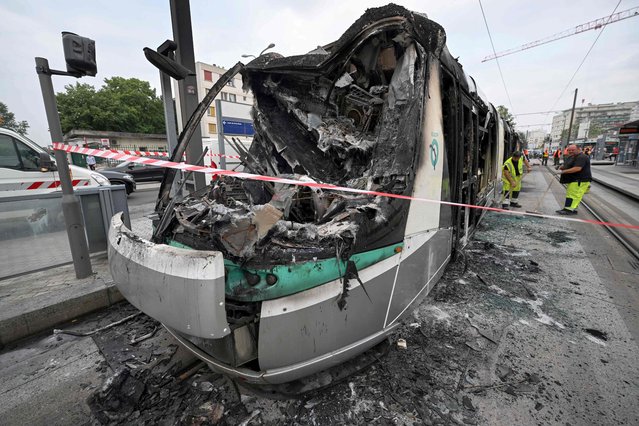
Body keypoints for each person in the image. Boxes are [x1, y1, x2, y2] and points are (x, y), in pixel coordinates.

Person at [556, 144, 592, 215]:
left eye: (573, 150)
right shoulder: (574, 157)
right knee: (571, 195)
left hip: (580, 180)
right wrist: (561, 167)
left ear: (579, 149)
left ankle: (569, 210)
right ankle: (569, 208)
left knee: (573, 195)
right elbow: (569, 165)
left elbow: (577, 168)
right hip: (575, 180)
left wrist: (564, 171)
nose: (570, 151)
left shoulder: (582, 157)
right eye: (569, 150)